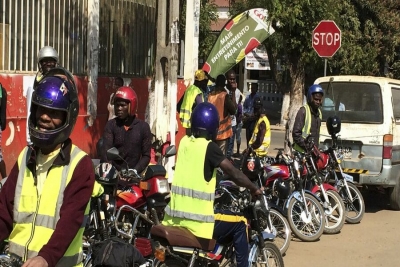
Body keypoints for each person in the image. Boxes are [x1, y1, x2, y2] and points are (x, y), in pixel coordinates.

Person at [0, 67, 95, 266]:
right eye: (40, 109)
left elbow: (70, 220)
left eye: (54, 113)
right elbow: (4, 213)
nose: (44, 117)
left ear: (67, 118)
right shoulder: (25, 156)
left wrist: (46, 257)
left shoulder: (80, 165)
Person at [162, 102, 263, 267]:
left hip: (174, 220)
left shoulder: (185, 143)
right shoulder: (209, 147)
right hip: (199, 224)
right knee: (241, 223)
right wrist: (254, 188)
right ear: (213, 127)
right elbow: (234, 173)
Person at [100, 86, 152, 174]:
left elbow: (146, 156)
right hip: (114, 175)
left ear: (131, 105)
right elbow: (106, 153)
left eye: (122, 105)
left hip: (134, 176)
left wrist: (135, 171)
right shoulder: (111, 125)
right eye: (117, 105)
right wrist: (112, 171)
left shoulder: (143, 127)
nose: (119, 108)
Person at [26, 46, 59, 146]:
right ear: (40, 63)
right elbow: (29, 112)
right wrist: (29, 139)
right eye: (45, 61)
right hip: (39, 132)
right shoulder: (34, 84)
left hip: (56, 133)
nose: (48, 63)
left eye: (51, 61)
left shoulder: (61, 83)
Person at [207, 75, 236, 155]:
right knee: (221, 157)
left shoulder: (210, 96)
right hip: (223, 134)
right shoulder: (224, 96)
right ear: (224, 84)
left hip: (212, 132)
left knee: (212, 155)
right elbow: (233, 110)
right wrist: (233, 91)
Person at [293, 84, 324, 152]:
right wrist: (307, 146)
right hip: (302, 153)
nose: (318, 102)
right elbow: (296, 134)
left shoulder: (319, 113)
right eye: (316, 99)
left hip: (313, 153)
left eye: (320, 100)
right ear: (310, 98)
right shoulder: (303, 111)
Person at [177, 69, 209, 136]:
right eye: (204, 81)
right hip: (195, 126)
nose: (205, 83)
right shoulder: (197, 92)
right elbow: (201, 110)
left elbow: (178, 106)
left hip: (188, 126)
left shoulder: (189, 89)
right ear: (200, 81)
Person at [225, 70, 241, 158]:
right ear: (227, 79)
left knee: (230, 147)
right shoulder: (224, 90)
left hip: (232, 124)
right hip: (224, 123)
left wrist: (234, 91)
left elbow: (234, 109)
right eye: (230, 79)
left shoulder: (237, 92)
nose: (232, 81)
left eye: (233, 79)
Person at [243, 83, 259, 147]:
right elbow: (244, 107)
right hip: (248, 120)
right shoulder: (247, 98)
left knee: (253, 136)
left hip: (254, 120)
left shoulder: (258, 98)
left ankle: (252, 151)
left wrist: (254, 115)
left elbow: (259, 109)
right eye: (252, 88)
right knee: (248, 136)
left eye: (254, 88)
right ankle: (248, 149)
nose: (252, 89)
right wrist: (246, 114)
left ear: (257, 89)